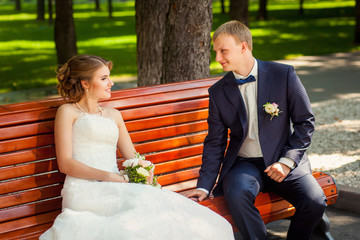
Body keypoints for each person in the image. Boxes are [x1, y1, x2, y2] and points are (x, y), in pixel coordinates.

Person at [39, 55, 234, 240]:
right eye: (104, 78)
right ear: (85, 83)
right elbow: (65, 163)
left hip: (116, 185)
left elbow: (132, 156)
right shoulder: (67, 112)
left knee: (159, 208)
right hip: (84, 190)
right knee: (139, 209)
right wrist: (108, 176)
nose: (111, 83)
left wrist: (144, 171)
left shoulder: (113, 115)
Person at [185, 21, 327, 240]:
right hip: (244, 165)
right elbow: (215, 142)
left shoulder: (283, 75)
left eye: (224, 51)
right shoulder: (218, 92)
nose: (218, 58)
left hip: (284, 159)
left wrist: (287, 161)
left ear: (243, 47)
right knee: (236, 193)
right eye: (216, 52)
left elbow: (305, 121)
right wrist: (204, 187)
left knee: (315, 200)